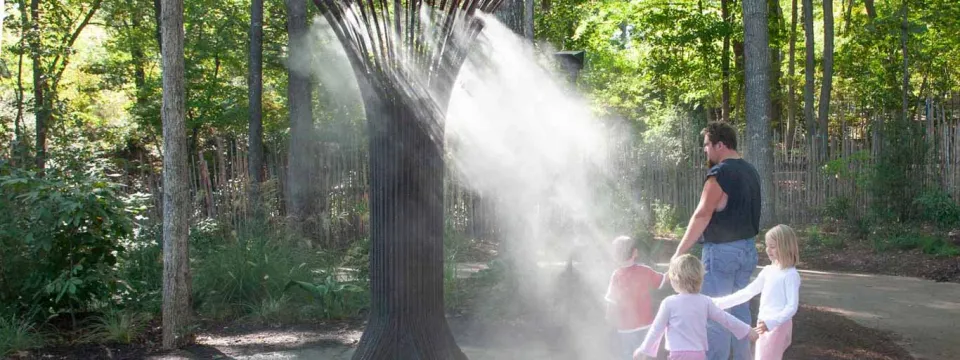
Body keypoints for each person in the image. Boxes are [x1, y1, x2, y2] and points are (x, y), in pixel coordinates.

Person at [671, 121, 762, 360]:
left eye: (707, 145)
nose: (705, 150)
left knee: (715, 313)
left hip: (722, 254)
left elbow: (702, 214)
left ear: (720, 144)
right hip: (748, 250)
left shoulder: (719, 174)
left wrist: (679, 252)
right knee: (741, 310)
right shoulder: (750, 171)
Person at [634, 254, 759, 360]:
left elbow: (657, 329)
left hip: (678, 355)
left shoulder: (669, 303)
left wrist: (644, 349)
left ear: (674, 279)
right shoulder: (705, 302)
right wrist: (747, 330)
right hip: (699, 355)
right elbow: (726, 318)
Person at [712, 225, 801, 360]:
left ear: (785, 246)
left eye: (772, 246)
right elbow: (748, 292)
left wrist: (771, 323)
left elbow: (791, 307)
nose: (768, 250)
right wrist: (718, 303)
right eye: (767, 246)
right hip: (764, 323)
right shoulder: (768, 270)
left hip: (776, 326)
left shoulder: (790, 275)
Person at [605, 235, 667, 360]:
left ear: (615, 256)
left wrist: (609, 321)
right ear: (635, 252)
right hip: (646, 326)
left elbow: (611, 302)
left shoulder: (616, 276)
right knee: (647, 355)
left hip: (625, 328)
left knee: (628, 355)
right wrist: (675, 266)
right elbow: (663, 280)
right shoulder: (645, 271)